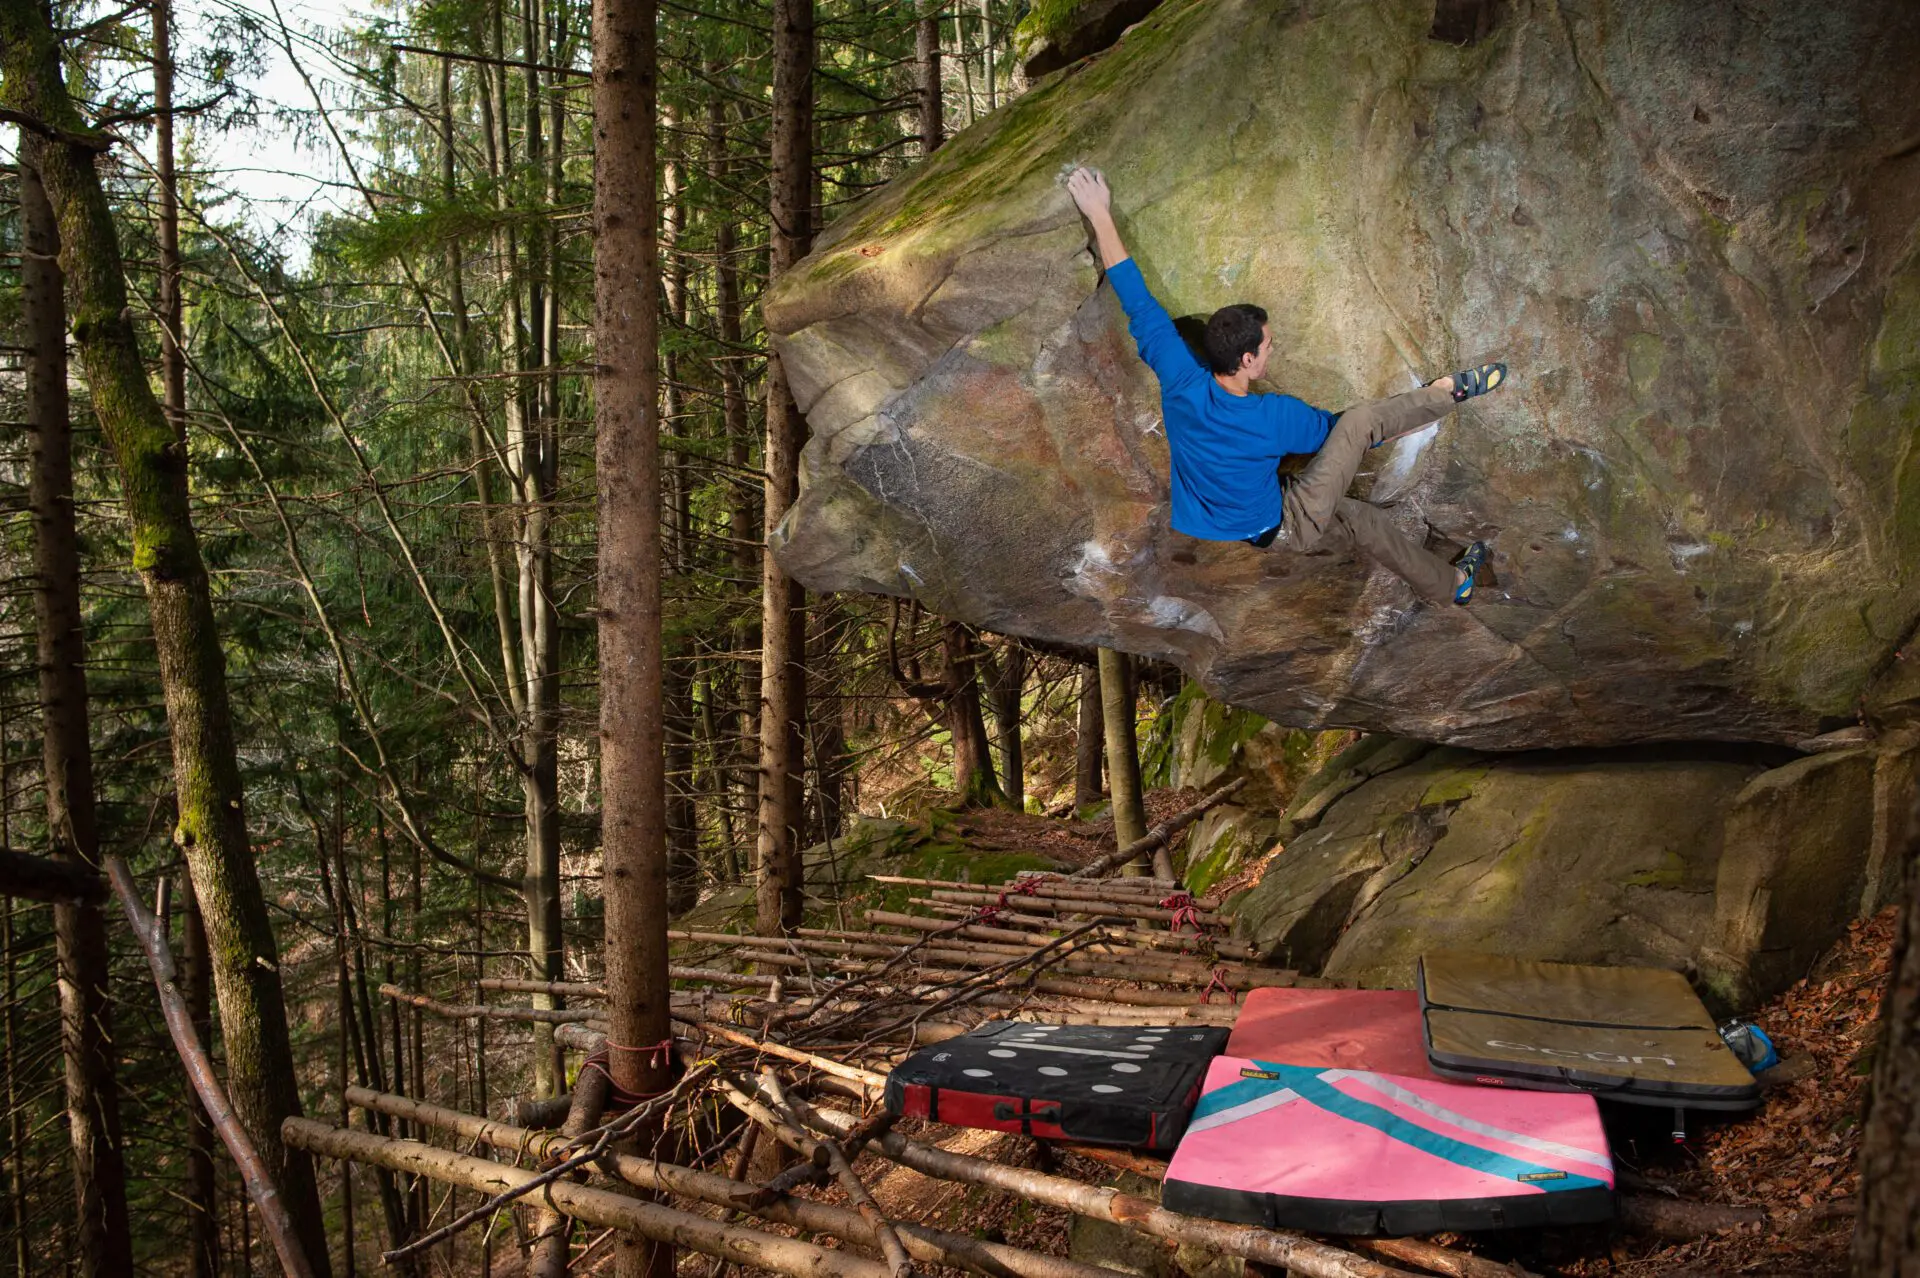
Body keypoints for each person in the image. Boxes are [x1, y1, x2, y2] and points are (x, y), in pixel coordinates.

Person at [1065, 166, 1503, 605]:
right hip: (1286, 521)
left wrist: (1099, 214)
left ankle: (1453, 587)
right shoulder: (1270, 416)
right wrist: (1394, 425)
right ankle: (1449, 391)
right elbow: (1342, 432)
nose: (1274, 349)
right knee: (1361, 422)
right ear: (1248, 360)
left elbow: (1138, 302)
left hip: (1239, 521)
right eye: (1269, 345)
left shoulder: (1179, 380)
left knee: (1360, 521)